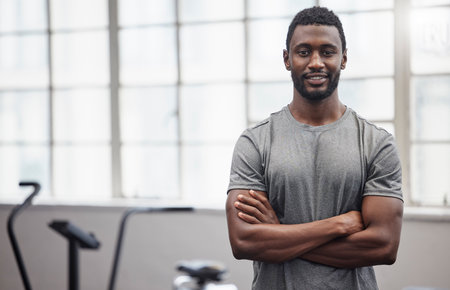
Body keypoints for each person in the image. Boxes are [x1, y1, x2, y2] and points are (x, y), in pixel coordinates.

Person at [225, 6, 403, 290]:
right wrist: (339, 225)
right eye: (304, 51)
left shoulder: (376, 143)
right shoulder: (255, 142)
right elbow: (244, 241)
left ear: (343, 58)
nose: (316, 62)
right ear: (287, 59)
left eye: (328, 52)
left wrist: (278, 233)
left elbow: (384, 246)